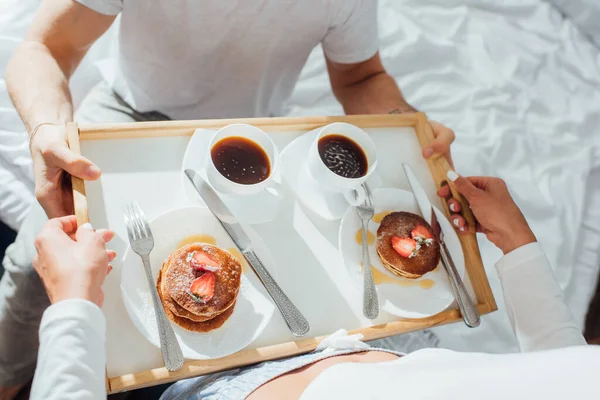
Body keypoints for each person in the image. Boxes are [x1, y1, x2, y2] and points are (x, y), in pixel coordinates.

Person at [1, 0, 459, 396]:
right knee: (28, 264)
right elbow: (45, 48)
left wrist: (407, 124)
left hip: (254, 141)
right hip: (125, 119)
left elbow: (361, 76)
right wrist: (45, 128)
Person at [29, 171, 598, 399]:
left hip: (225, 385)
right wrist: (520, 247)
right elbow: (566, 372)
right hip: (382, 348)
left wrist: (74, 304)